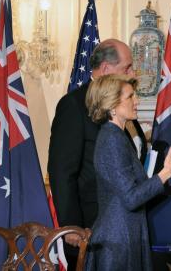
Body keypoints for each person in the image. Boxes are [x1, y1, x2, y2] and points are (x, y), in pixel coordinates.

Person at [47, 39, 147, 268]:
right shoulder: (74, 105)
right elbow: (62, 170)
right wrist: (71, 225)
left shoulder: (123, 102)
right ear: (105, 69)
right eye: (127, 67)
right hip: (91, 225)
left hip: (125, 224)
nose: (133, 73)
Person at [84, 74, 171, 271]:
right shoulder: (112, 139)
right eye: (130, 97)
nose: (136, 101)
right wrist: (165, 173)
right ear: (111, 105)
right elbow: (131, 197)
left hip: (125, 234)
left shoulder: (116, 135)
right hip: (118, 240)